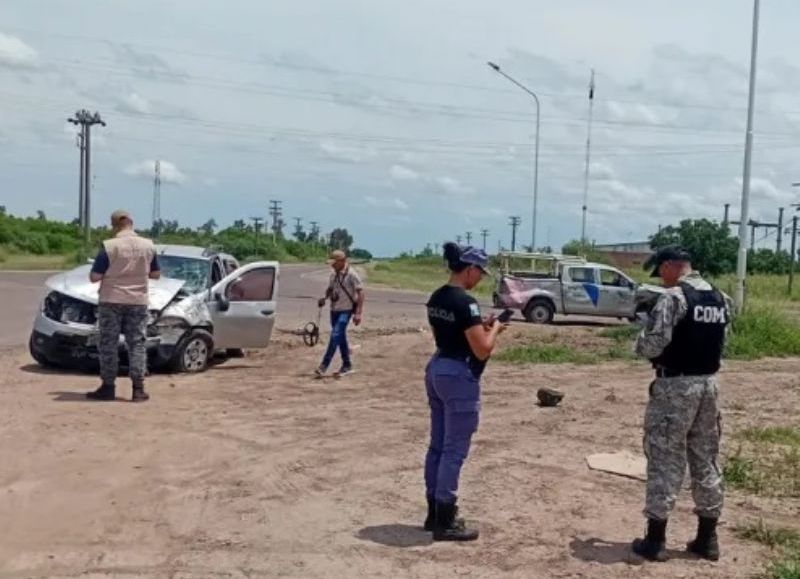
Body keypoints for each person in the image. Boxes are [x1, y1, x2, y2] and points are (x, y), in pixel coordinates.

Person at [631, 246, 731, 562]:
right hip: (709, 385)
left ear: (671, 266)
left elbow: (652, 345)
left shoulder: (674, 298)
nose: (661, 278)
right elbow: (723, 344)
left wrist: (640, 334)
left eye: (661, 271)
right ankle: (707, 538)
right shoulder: (721, 298)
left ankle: (655, 540)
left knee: (664, 456)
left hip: (675, 386)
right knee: (706, 458)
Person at [423, 242, 506, 541]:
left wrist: (478, 325)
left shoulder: (437, 297)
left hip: (437, 368)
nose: (480, 278)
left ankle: (433, 513)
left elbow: (446, 336)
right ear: (469, 269)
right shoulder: (466, 302)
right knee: (454, 450)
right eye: (480, 272)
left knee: (437, 445)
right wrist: (494, 330)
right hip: (458, 375)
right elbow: (482, 350)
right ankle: (446, 519)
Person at [86, 210, 160, 402]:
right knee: (137, 343)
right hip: (137, 301)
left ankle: (108, 387)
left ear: (114, 225)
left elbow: (94, 277)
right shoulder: (148, 246)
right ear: (131, 222)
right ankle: (138, 389)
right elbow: (155, 274)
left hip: (111, 299)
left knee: (108, 343)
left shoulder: (110, 246)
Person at [315, 250, 364, 377]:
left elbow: (361, 292)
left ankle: (324, 365)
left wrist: (358, 313)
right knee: (340, 337)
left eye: (334, 263)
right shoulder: (333, 275)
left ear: (342, 261)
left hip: (346, 310)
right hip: (334, 310)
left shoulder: (352, 274)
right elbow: (330, 289)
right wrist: (325, 298)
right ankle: (347, 365)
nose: (332, 265)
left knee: (335, 334)